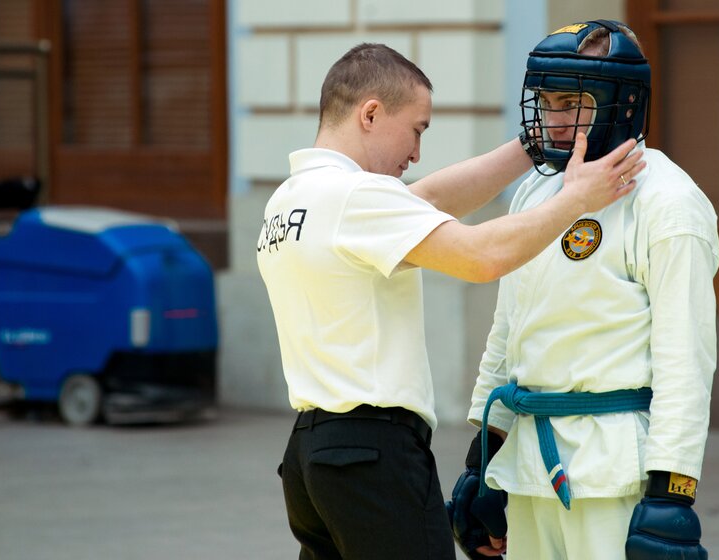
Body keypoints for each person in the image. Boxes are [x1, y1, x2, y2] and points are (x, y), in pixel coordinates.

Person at [256, 42, 644, 560]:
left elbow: (431, 200)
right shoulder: (354, 198)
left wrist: (533, 145)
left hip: (312, 459)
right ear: (370, 114)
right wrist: (577, 199)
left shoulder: (293, 198)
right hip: (372, 455)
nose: (417, 153)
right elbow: (482, 258)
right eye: (417, 129)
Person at [447, 20, 719, 560]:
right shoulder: (537, 191)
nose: (553, 119)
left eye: (571, 103)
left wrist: (672, 491)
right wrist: (483, 457)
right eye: (547, 102)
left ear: (621, 101)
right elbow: (507, 333)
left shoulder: (667, 202)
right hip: (527, 467)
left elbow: (685, 362)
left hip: (613, 473)